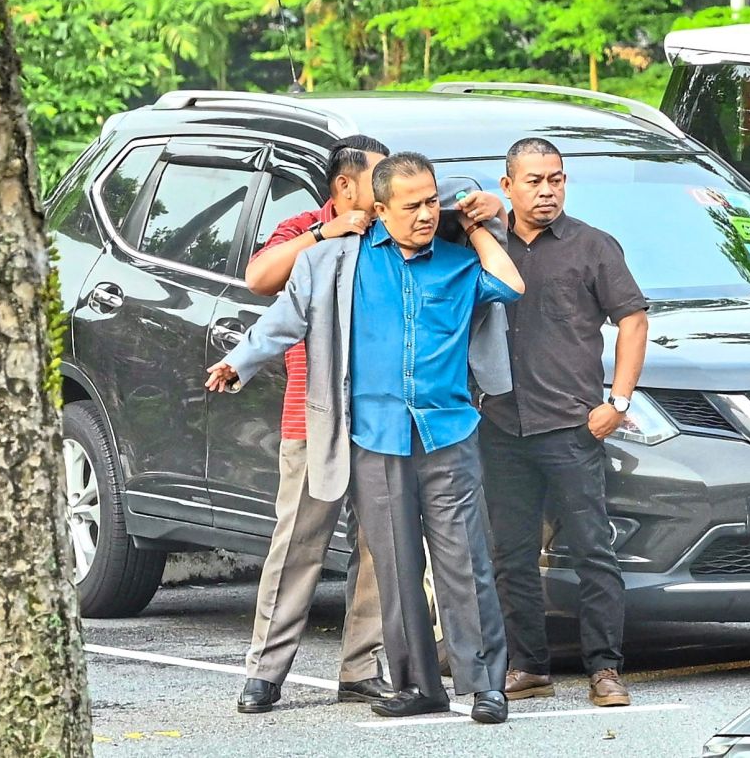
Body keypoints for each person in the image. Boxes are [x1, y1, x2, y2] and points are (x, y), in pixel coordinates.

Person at [207, 152, 523, 724]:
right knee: (395, 567)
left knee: (464, 562)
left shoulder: (457, 264)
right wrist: (239, 361)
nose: (426, 213)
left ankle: (484, 685)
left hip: (447, 432)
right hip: (374, 437)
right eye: (412, 206)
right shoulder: (332, 262)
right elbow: (284, 318)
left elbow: (509, 283)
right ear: (378, 210)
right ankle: (416, 684)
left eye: (432, 201)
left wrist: (476, 225)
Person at [479, 137, 649, 707]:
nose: (546, 190)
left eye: (555, 179)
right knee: (511, 554)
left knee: (593, 551)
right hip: (500, 425)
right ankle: (529, 665)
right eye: (533, 180)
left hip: (573, 426)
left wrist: (617, 403)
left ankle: (606, 670)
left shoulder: (592, 246)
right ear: (508, 186)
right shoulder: (487, 245)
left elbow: (633, 320)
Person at [235, 135, 393, 714]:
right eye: (378, 180)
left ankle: (362, 667)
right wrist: (326, 233)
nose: (388, 191)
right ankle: (265, 672)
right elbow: (260, 278)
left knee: (381, 547)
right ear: (345, 186)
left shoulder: (393, 230)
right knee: (298, 543)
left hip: (381, 417)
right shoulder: (303, 226)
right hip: (313, 415)